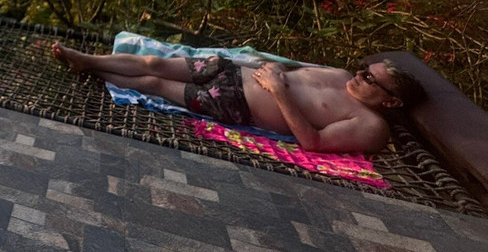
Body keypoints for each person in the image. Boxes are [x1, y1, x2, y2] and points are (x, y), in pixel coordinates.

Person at [51, 42, 426, 154]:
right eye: (365, 69)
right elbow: (290, 66)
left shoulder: (371, 126)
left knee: (152, 84)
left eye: (371, 80)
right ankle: (88, 60)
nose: (360, 76)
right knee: (155, 63)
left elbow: (313, 142)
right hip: (232, 70)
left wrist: (279, 92)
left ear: (391, 101)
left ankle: (92, 69)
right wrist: (260, 64)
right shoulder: (342, 75)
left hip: (233, 101)